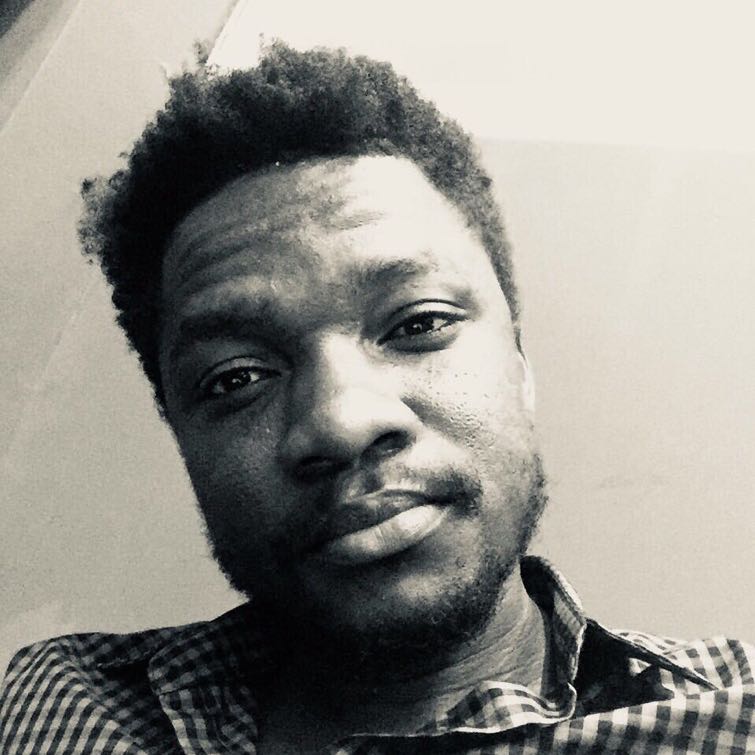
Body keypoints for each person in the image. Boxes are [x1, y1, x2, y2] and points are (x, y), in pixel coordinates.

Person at [0, 42, 752, 755]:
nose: (342, 421)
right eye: (235, 377)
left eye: (418, 323)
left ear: (519, 364)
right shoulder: (60, 700)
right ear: (180, 433)